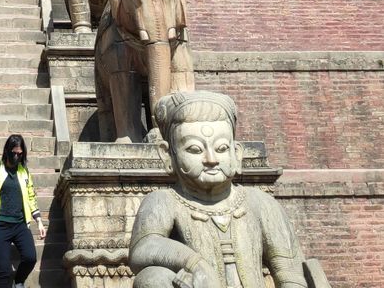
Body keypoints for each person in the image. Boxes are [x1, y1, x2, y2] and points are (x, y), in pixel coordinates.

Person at [129, 89, 325, 286]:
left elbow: (291, 275)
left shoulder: (260, 203)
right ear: (168, 155)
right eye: (195, 149)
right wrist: (195, 264)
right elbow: (143, 247)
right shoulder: (165, 201)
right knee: (152, 278)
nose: (211, 159)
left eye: (222, 148)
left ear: (237, 153)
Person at [0, 134, 46, 288]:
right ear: (7, 151)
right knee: (3, 271)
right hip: (0, 225)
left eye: (20, 154)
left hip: (20, 224)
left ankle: (19, 281)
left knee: (30, 258)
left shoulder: (24, 171)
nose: (16, 157)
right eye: (14, 153)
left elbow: (31, 197)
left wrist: (39, 221)